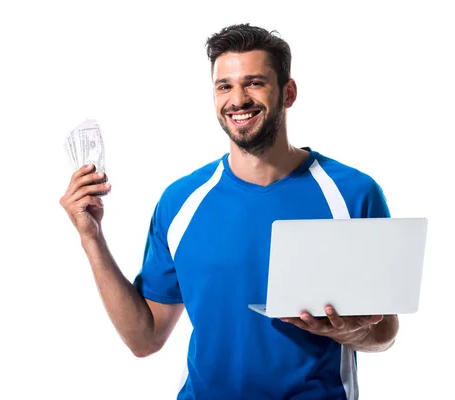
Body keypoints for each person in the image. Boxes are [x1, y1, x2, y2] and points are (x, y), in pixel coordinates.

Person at [60, 23, 399, 400]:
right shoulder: (180, 201)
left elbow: (384, 331)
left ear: (288, 93)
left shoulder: (352, 194)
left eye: (254, 82)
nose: (237, 99)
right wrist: (91, 237)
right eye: (225, 86)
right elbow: (145, 339)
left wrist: (347, 332)